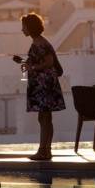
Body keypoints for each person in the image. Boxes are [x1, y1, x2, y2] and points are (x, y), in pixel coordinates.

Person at [20, 12, 65, 160]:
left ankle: (43, 150)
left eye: (24, 26)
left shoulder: (39, 43)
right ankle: (46, 149)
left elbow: (49, 62)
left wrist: (32, 68)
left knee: (44, 118)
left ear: (30, 27)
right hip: (45, 84)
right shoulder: (40, 42)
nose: (22, 30)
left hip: (43, 85)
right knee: (45, 118)